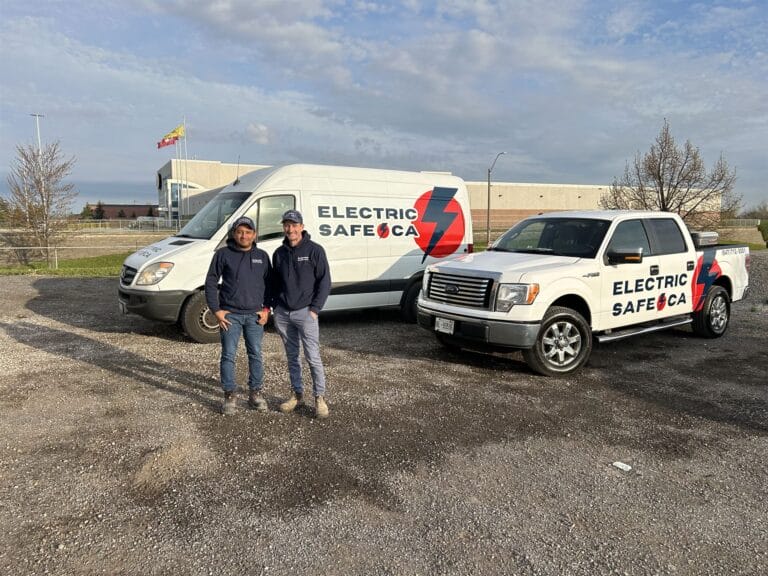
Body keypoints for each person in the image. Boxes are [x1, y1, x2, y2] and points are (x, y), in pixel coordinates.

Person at [204, 216, 272, 415]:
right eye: (240, 232)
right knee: (228, 356)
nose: (244, 235)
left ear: (254, 234)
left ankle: (255, 394)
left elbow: (271, 285)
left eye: (248, 232)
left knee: (256, 355)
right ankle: (229, 395)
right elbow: (210, 282)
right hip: (230, 316)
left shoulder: (262, 256)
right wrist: (216, 311)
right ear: (234, 233)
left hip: (255, 317)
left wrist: (267, 310)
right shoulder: (223, 254)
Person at [271, 209, 332, 419]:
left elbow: (324, 281)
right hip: (283, 313)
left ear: (302, 227)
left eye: (294, 225)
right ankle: (296, 395)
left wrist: (315, 309)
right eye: (287, 225)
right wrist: (274, 306)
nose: (290, 229)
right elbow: (274, 282)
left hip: (305, 313)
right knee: (292, 357)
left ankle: (319, 398)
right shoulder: (279, 253)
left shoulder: (315, 250)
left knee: (313, 357)